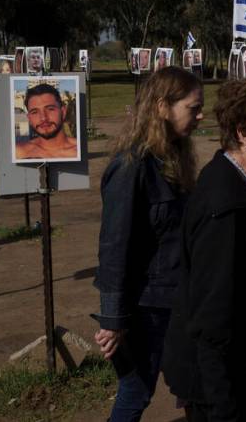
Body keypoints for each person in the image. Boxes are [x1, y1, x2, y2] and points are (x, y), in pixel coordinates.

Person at [163, 79, 246, 421]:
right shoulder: (223, 207)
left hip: (244, 367)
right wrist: (223, 409)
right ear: (244, 133)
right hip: (220, 383)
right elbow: (211, 319)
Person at [94, 67, 204, 421]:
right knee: (136, 391)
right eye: (193, 107)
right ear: (162, 107)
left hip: (180, 298)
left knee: (195, 386)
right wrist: (113, 319)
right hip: (147, 307)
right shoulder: (131, 167)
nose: (200, 116)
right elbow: (115, 247)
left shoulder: (174, 158)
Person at [15, 83, 79, 160]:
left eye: (50, 109)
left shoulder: (79, 150)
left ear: (63, 112)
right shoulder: (19, 152)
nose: (43, 118)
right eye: (35, 112)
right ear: (29, 118)